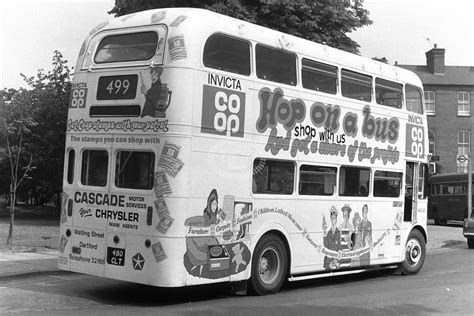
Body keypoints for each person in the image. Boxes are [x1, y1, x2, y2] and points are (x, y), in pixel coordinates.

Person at [322, 205, 341, 270]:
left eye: (334, 218)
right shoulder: (328, 233)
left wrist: (338, 255)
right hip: (329, 260)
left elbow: (339, 246)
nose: (333, 220)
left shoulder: (338, 232)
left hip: (335, 261)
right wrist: (324, 233)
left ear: (336, 219)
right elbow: (325, 246)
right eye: (332, 218)